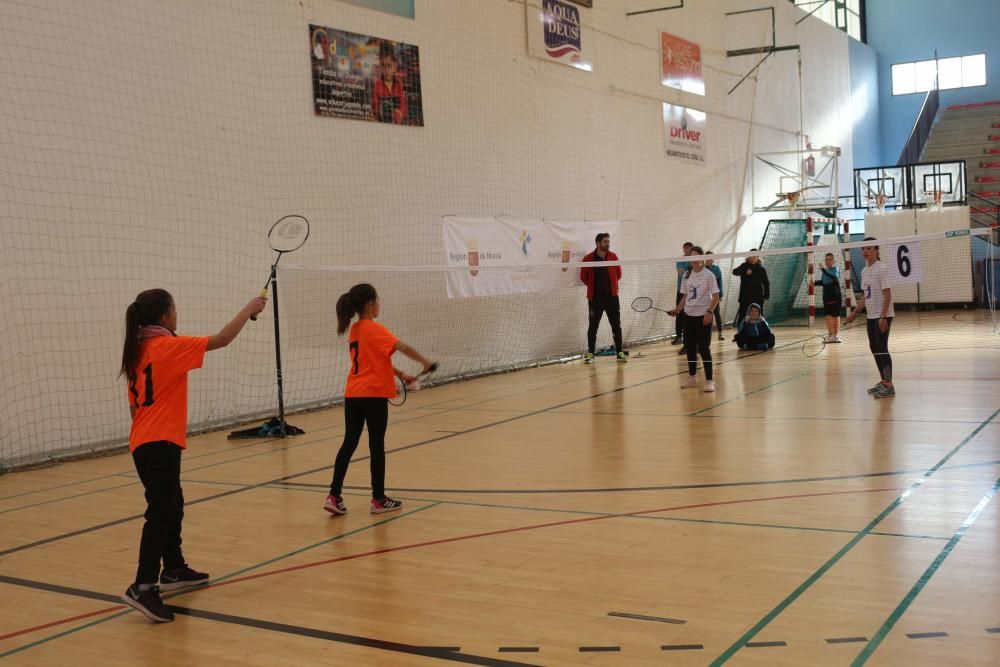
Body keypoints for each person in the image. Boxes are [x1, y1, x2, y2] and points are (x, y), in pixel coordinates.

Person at [119, 289, 268, 623]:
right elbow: (223, 339)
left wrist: (148, 433)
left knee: (173, 501)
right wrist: (249, 308)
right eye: (174, 310)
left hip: (142, 441)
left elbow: (133, 405)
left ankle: (173, 569)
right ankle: (143, 586)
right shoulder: (168, 346)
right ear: (164, 317)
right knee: (161, 510)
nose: (177, 316)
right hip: (159, 441)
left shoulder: (137, 352)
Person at [325, 283, 435, 516]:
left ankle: (334, 495)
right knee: (376, 446)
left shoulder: (356, 330)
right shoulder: (375, 329)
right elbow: (401, 346)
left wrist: (400, 374)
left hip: (353, 394)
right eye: (377, 300)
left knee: (349, 443)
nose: (379, 305)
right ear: (369, 304)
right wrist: (424, 362)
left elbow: (374, 359)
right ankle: (378, 499)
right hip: (373, 395)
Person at [846, 238, 895, 398]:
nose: (865, 251)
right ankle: (883, 381)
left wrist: (883, 316)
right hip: (871, 315)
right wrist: (855, 312)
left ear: (876, 250)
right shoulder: (864, 271)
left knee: (882, 348)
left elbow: (887, 293)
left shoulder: (882, 268)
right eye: (863, 249)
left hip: (883, 315)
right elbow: (865, 296)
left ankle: (889, 385)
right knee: (874, 348)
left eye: (868, 248)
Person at [668, 246, 720, 392]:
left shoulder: (709, 275)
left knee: (704, 348)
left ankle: (709, 380)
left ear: (702, 258)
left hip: (703, 316)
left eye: (697, 256)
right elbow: (685, 296)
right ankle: (692, 377)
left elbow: (715, 296)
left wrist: (709, 312)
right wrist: (678, 309)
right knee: (690, 348)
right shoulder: (686, 276)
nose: (694, 260)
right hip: (688, 316)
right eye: (692, 257)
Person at [580, 233, 625, 364]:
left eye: (608, 241)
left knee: (616, 325)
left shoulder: (613, 257)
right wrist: (594, 288)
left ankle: (620, 352)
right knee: (593, 326)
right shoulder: (588, 258)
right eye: (605, 242)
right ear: (598, 243)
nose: (607, 244)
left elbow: (619, 274)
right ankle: (590, 353)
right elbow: (583, 277)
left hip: (611, 297)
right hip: (595, 299)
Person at [732, 250, 770, 335]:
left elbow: (766, 283)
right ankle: (740, 334)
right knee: (742, 316)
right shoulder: (744, 266)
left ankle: (761, 333)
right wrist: (744, 272)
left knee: (759, 316)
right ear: (748, 257)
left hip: (757, 298)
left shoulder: (761, 269)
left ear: (758, 257)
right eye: (752, 256)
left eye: (755, 256)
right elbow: (734, 272)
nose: (753, 258)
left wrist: (766, 296)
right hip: (745, 298)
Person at [372, 43, 407, 124]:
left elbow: (403, 105)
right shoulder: (377, 85)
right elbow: (374, 107)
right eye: (383, 66)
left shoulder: (399, 84)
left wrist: (400, 114)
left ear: (395, 66)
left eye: (389, 66)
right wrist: (383, 111)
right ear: (380, 66)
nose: (386, 70)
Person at [815, 252, 843, 343]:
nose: (828, 261)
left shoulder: (835, 269)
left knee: (836, 317)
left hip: (836, 297)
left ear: (833, 261)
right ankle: (831, 335)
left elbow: (834, 277)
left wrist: (823, 270)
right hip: (826, 297)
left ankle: (836, 336)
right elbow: (824, 282)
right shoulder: (825, 272)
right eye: (826, 259)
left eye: (830, 259)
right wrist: (814, 283)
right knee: (828, 317)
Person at [673, 242, 694, 352]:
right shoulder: (680, 260)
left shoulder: (696, 259)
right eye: (685, 248)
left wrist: (690, 270)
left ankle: (692, 342)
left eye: (689, 248)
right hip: (681, 290)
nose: (686, 250)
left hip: (693, 292)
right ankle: (678, 336)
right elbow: (681, 272)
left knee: (689, 315)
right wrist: (689, 270)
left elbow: (693, 271)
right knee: (679, 313)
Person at [705, 251, 725, 341]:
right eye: (707, 257)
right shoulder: (702, 269)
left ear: (713, 259)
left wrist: (720, 294)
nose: (708, 259)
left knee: (717, 314)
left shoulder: (716, 269)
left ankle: (720, 333)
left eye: (710, 257)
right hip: (705, 296)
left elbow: (720, 281)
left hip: (714, 296)